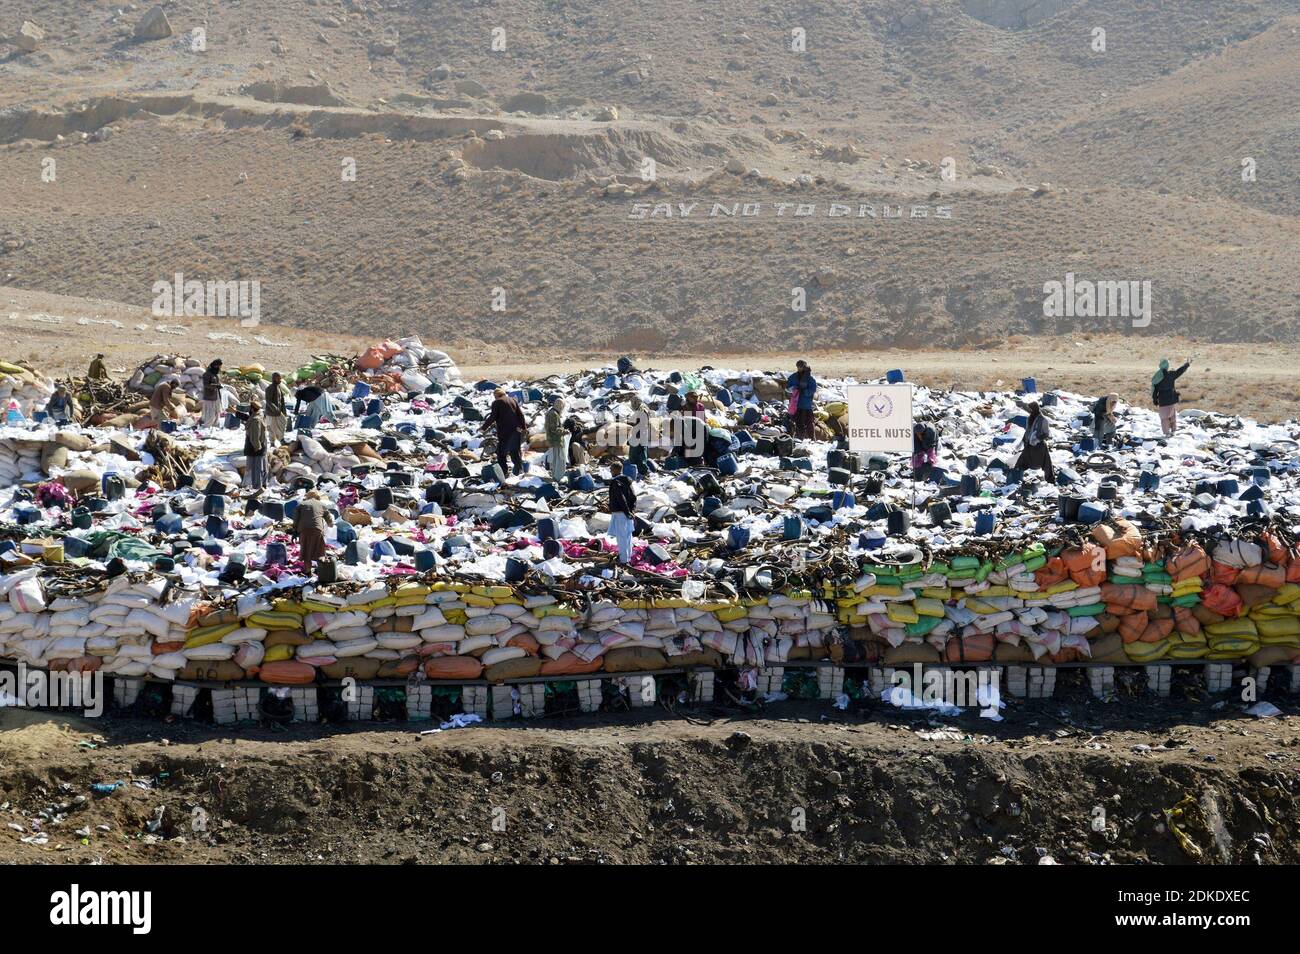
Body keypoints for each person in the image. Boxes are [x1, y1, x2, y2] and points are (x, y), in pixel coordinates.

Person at [482, 387, 528, 477]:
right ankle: (519, 471)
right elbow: (520, 414)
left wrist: (483, 428)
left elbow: (492, 417)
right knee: (515, 451)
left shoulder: (497, 402)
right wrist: (524, 427)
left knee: (501, 453)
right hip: (516, 430)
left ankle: (503, 472)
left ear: (496, 395)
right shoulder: (512, 400)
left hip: (505, 432)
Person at [292, 489, 334, 577]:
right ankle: (321, 571)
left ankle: (308, 572)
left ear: (307, 496)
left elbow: (296, 519)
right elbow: (329, 519)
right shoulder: (322, 504)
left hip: (304, 530)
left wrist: (294, 531)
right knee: (320, 551)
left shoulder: (301, 504)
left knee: (306, 551)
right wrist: (330, 524)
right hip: (317, 530)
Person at [1013, 402, 1055, 483]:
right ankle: (1015, 479)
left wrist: (1037, 439)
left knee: (1047, 464)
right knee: (1020, 463)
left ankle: (1050, 481)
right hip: (1028, 446)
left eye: (1031, 409)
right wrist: (1022, 442)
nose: (1030, 410)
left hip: (1039, 447)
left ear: (1035, 409)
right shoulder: (1029, 418)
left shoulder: (1043, 420)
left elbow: (1046, 433)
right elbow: (1027, 431)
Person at [1152, 358, 1191, 437]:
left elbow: (1154, 390)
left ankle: (1166, 433)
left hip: (1163, 400)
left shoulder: (1156, 377)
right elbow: (1179, 371)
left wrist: (1155, 400)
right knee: (1172, 416)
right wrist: (1186, 365)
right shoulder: (1171, 374)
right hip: (1171, 398)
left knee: (1164, 418)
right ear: (1167, 366)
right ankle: (1173, 431)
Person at [607, 462, 638, 564]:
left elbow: (621, 498)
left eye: (611, 470)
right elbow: (633, 497)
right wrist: (631, 511)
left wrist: (627, 512)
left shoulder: (616, 482)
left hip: (621, 513)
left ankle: (623, 560)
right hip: (627, 513)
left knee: (621, 538)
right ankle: (628, 557)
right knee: (628, 536)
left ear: (616, 470)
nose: (611, 472)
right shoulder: (627, 481)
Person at [787, 360, 817, 440]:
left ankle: (812, 440)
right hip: (796, 406)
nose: (799, 368)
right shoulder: (793, 377)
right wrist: (795, 389)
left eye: (801, 367)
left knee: (809, 424)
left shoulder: (810, 379)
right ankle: (799, 440)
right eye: (798, 367)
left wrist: (804, 391)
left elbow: (812, 390)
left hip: (806, 406)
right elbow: (788, 388)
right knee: (798, 424)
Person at [243, 402, 268, 490]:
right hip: (262, 446)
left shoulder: (255, 420)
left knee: (256, 469)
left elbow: (255, 436)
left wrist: (256, 448)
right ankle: (264, 485)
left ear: (252, 409)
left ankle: (257, 488)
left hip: (256, 448)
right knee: (263, 467)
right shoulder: (261, 414)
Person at [544, 396, 569, 480]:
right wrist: (564, 431)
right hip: (556, 441)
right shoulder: (553, 414)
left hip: (553, 440)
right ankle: (558, 477)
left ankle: (555, 476)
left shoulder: (551, 412)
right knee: (559, 460)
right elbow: (554, 429)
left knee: (555, 460)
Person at [264, 372, 288, 446]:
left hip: (278, 412)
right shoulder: (269, 388)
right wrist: (276, 410)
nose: (280, 380)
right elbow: (268, 401)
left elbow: (281, 400)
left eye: (280, 378)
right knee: (272, 427)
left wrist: (283, 411)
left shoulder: (278, 387)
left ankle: (281, 439)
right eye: (279, 378)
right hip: (272, 412)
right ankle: (273, 442)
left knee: (283, 423)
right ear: (274, 378)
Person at [200, 359, 223, 427]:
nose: (220, 368)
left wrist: (219, 385)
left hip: (216, 395)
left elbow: (216, 382)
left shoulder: (215, 374)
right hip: (209, 396)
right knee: (210, 413)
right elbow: (206, 385)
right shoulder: (207, 374)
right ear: (215, 366)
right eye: (219, 366)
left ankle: (215, 425)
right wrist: (216, 386)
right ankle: (207, 426)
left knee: (217, 411)